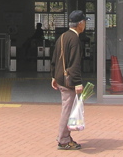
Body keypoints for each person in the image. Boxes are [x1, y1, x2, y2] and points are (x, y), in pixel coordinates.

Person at [50, 10, 90, 151]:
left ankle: (65, 136)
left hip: (61, 78)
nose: (85, 25)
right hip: (69, 81)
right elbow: (75, 63)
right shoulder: (75, 39)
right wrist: (78, 82)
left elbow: (55, 58)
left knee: (67, 109)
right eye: (84, 22)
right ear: (80, 24)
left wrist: (54, 76)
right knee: (67, 111)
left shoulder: (62, 37)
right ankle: (63, 140)